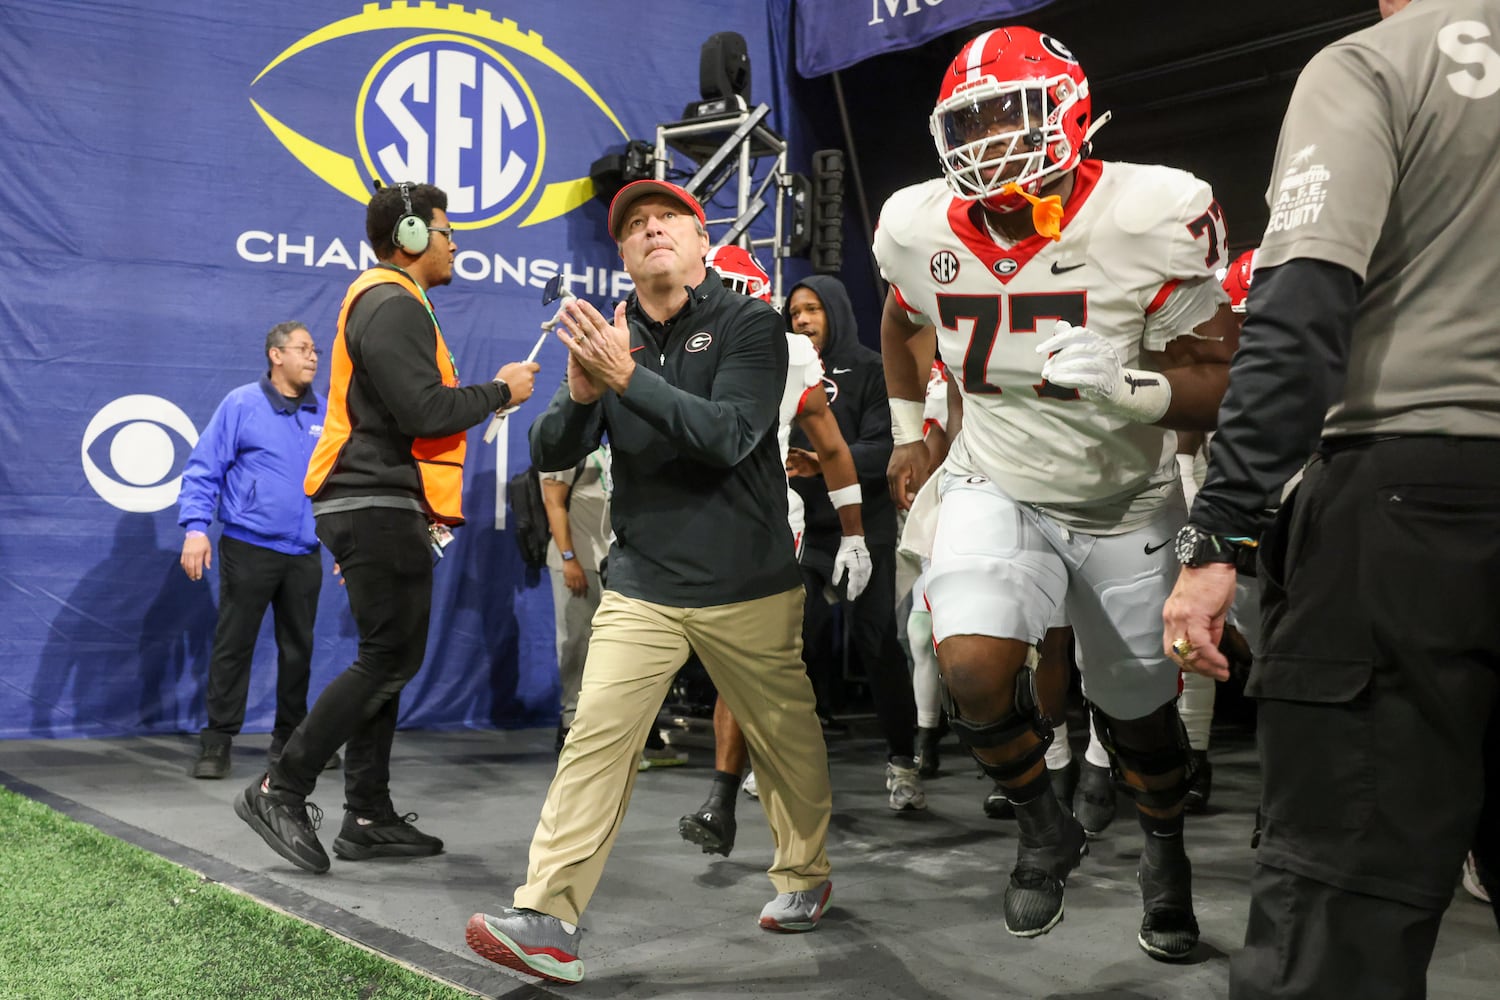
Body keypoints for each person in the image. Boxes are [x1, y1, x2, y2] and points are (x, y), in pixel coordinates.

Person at [879, 26, 1240, 960]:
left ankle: (1165, 849)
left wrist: (1134, 387)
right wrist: (909, 427)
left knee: (1139, 719)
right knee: (967, 668)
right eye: (972, 119)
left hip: (1123, 495)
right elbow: (900, 316)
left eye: (1012, 110)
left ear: (1072, 110)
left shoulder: (1149, 212)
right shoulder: (917, 226)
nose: (991, 137)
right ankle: (1044, 826)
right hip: (997, 478)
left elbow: (1216, 370)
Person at [1162, 1, 1500, 994]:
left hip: (1413, 500)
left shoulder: (1374, 64)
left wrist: (1219, 531)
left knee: (1340, 909)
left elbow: (1302, 312)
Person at [465, 180, 834, 985]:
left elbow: (730, 435)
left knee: (789, 744)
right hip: (644, 584)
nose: (651, 229)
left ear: (701, 245)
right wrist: (587, 389)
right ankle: (547, 915)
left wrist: (626, 378)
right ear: (625, 257)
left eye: (668, 218)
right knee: (596, 736)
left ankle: (804, 872)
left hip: (750, 581)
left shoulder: (751, 325)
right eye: (634, 226)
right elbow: (552, 447)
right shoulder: (610, 338)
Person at [233, 182, 539, 874]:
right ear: (407, 237)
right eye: (444, 230)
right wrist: (501, 393)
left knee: (386, 657)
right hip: (371, 500)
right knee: (389, 658)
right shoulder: (391, 302)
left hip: (373, 500)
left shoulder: (393, 302)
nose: (454, 241)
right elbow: (424, 411)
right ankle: (280, 788)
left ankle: (367, 814)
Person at [678, 245, 871, 860]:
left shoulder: (787, 353)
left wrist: (856, 533)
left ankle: (726, 798)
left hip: (763, 526)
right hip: (684, 530)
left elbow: (834, 448)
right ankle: (727, 793)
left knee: (761, 671)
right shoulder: (664, 336)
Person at [785, 275, 923, 805]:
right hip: (806, 532)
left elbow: (883, 448)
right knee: (792, 647)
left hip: (866, 531)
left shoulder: (870, 368)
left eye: (813, 310)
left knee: (876, 644)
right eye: (795, 312)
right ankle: (785, 762)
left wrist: (824, 463)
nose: (802, 320)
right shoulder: (787, 370)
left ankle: (903, 762)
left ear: (836, 311)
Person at [178, 321, 334, 779]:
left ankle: (291, 741)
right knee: (234, 644)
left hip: (304, 551)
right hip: (248, 546)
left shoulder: (325, 414)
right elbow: (204, 469)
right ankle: (217, 741)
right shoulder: (241, 404)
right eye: (303, 349)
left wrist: (345, 546)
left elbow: (336, 487)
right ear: (276, 355)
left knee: (298, 650)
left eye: (315, 350)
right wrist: (195, 528)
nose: (312, 357)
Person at [539, 443, 611, 753]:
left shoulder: (609, 449)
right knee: (576, 644)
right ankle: (570, 723)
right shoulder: (568, 446)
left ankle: (604, 724)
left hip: (610, 564)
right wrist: (569, 559)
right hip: (578, 563)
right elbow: (553, 501)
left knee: (609, 649)